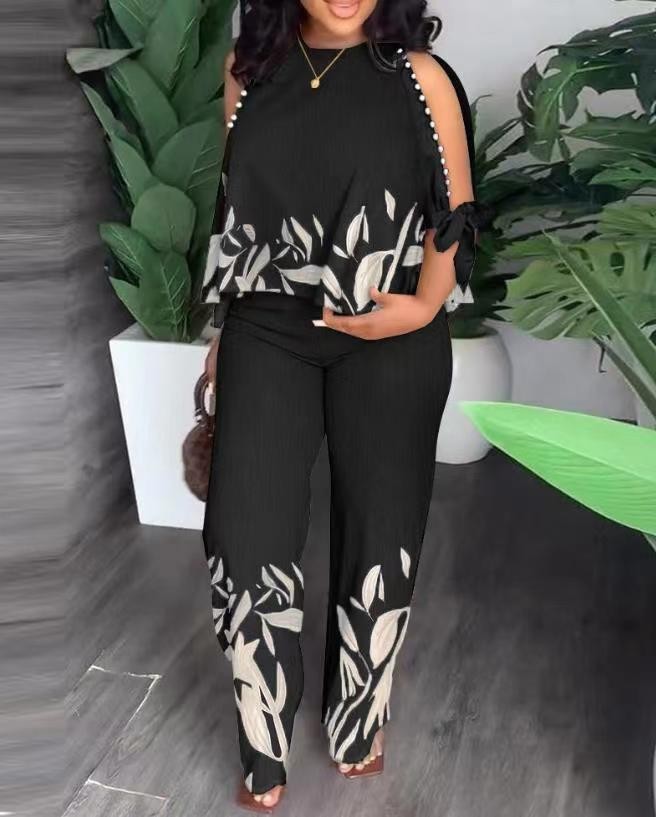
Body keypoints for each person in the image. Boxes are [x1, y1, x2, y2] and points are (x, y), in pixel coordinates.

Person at [201, 0, 491, 811]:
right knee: (242, 537)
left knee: (380, 537)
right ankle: (263, 740)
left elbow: (455, 213)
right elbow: (235, 207)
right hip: (268, 327)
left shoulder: (419, 77)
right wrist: (223, 329)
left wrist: (422, 308)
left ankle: (357, 719)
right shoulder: (249, 72)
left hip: (391, 332)